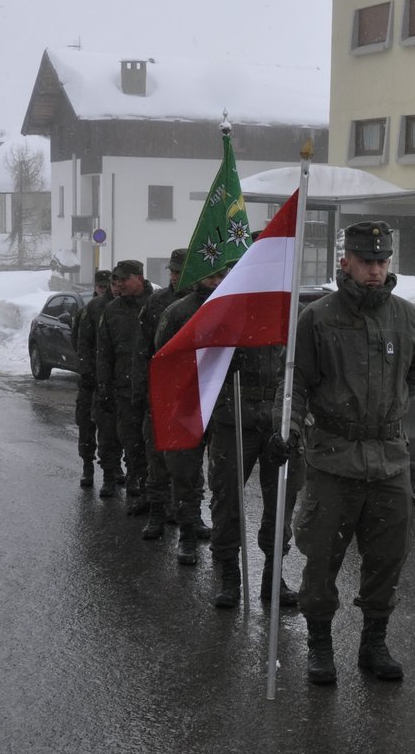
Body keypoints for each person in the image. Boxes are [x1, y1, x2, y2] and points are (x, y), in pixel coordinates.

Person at [282, 221, 415, 685]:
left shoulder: (407, 317)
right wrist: (289, 428)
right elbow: (296, 385)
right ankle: (320, 645)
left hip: (389, 460)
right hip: (333, 459)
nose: (374, 270)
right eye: (366, 261)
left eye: (381, 261)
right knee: (322, 558)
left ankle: (374, 643)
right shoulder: (318, 318)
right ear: (345, 261)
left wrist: (396, 405)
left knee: (388, 557)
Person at [158, 265, 301, 605]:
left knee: (280, 504)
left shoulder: (294, 312)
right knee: (227, 501)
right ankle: (229, 577)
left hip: (280, 420)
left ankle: (272, 577)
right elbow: (180, 358)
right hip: (232, 416)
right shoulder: (225, 307)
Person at [136, 251, 188, 539]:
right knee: (156, 456)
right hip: (161, 390)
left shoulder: (205, 302)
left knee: (189, 462)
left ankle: (187, 515)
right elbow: (143, 348)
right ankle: (157, 513)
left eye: (179, 271)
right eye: (172, 271)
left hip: (191, 392)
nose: (174, 276)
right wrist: (143, 389)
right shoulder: (157, 302)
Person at [96, 260, 155, 515]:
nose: (117, 284)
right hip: (125, 388)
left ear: (138, 278)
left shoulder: (158, 305)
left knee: (155, 445)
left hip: (155, 388)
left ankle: (158, 496)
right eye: (115, 280)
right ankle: (137, 487)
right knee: (131, 442)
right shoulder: (111, 310)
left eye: (123, 279)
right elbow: (104, 353)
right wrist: (104, 386)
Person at [71, 270, 112, 489]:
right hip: (90, 378)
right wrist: (87, 370)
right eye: (101, 286)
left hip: (110, 379)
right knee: (86, 425)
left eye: (107, 285)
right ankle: (88, 467)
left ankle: (113, 468)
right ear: (95, 287)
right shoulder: (87, 312)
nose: (104, 290)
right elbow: (79, 343)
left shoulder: (117, 310)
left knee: (110, 429)